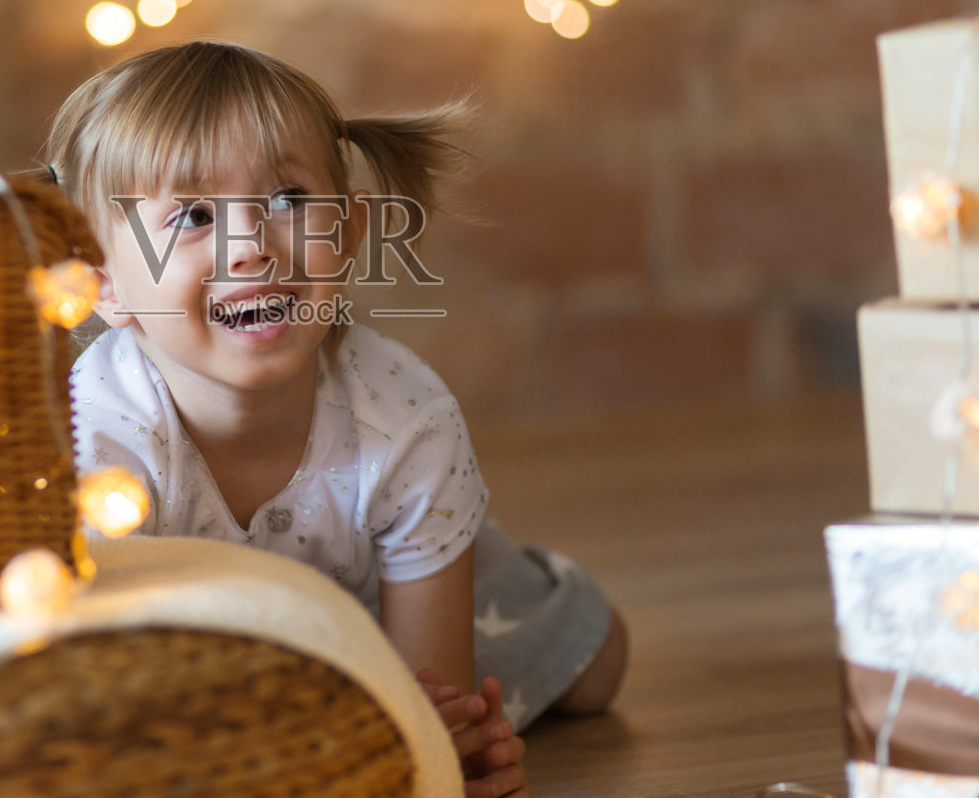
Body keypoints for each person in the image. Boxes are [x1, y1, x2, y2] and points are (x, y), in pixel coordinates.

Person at [43, 40, 628, 797]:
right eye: (192, 215)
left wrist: (452, 752)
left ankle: (506, 569)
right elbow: (120, 701)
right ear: (104, 284)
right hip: (209, 656)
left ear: (349, 237)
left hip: (370, 609)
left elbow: (424, 712)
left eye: (288, 200)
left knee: (596, 671)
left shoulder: (405, 420)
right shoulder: (101, 439)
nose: (250, 244)